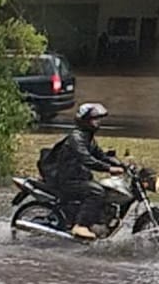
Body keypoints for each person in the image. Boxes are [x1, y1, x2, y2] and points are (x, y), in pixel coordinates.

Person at [53, 103, 125, 240]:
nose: (97, 122)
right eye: (94, 119)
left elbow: (101, 155)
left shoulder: (88, 138)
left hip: (81, 178)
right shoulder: (76, 138)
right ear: (84, 121)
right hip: (70, 180)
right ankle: (80, 226)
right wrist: (108, 169)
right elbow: (87, 159)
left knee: (106, 189)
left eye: (98, 119)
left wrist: (121, 164)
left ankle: (98, 221)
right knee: (96, 191)